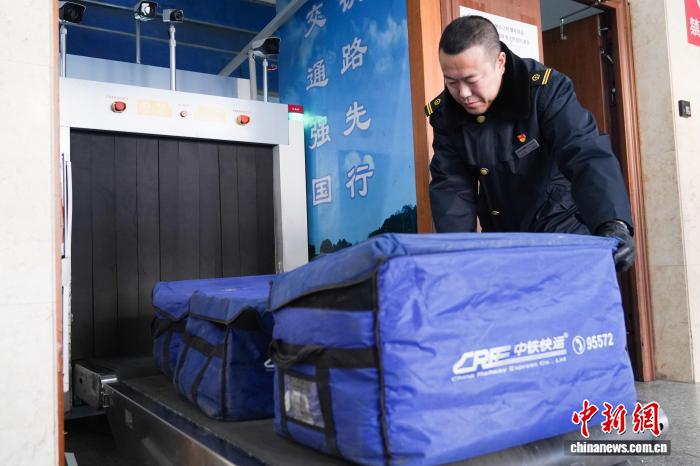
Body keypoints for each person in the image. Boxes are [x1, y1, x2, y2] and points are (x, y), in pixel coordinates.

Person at [426, 15, 636, 272]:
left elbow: (585, 152)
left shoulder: (545, 90)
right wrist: (458, 253)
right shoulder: (446, 113)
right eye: (451, 81)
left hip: (563, 232)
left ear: (500, 62)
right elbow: (452, 186)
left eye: (471, 80)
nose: (463, 94)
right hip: (504, 240)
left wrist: (612, 221)